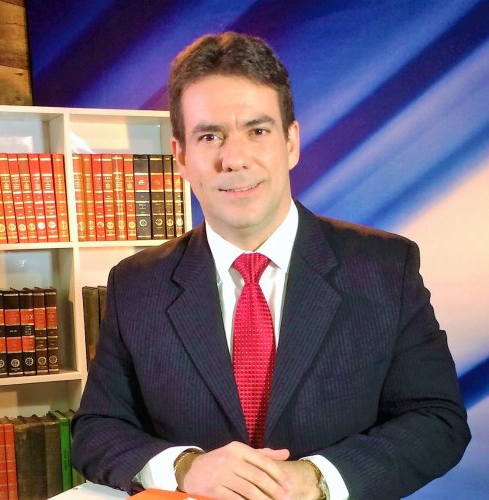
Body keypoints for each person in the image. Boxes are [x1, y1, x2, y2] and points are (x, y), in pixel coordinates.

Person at [71, 32, 470, 499]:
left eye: (257, 131)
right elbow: (96, 429)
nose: (234, 159)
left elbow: (437, 420)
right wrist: (184, 467)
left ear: (291, 142)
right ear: (180, 156)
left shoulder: (386, 268)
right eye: (209, 136)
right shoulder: (137, 284)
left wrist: (318, 478)